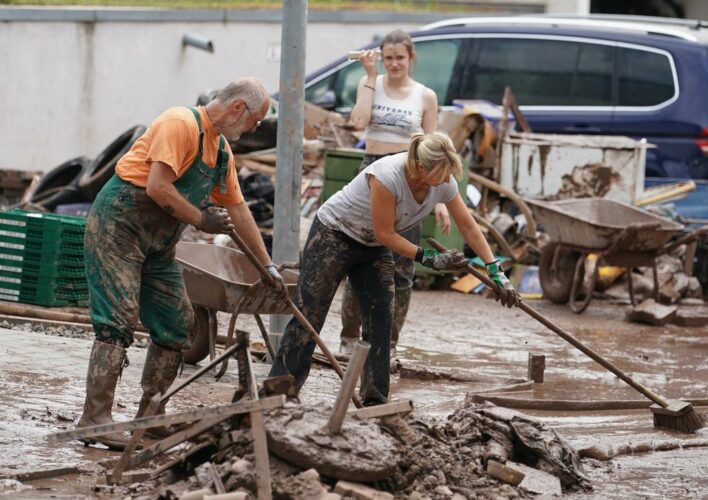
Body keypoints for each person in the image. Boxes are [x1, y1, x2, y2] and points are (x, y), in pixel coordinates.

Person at [77, 77, 283, 450]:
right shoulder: (180, 124)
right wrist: (202, 220)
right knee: (118, 318)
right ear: (238, 108)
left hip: (158, 245)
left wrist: (266, 266)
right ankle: (95, 419)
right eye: (255, 121)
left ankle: (150, 417)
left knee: (178, 324)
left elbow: (237, 209)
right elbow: (158, 187)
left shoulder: (220, 152)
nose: (254, 130)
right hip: (118, 228)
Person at [269, 131, 519, 406]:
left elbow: (468, 225)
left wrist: (495, 270)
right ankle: (280, 394)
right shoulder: (387, 175)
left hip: (372, 246)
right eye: (441, 174)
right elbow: (386, 233)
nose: (446, 181)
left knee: (381, 321)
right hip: (334, 233)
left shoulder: (443, 182)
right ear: (421, 167)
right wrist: (429, 258)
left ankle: (375, 401)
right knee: (310, 315)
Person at [340, 29, 450, 364]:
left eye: (399, 57)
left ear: (411, 57)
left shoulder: (425, 96)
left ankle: (389, 342)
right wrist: (371, 76)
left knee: (401, 267)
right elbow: (358, 122)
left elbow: (433, 151)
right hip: (374, 170)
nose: (394, 63)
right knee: (359, 255)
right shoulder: (370, 83)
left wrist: (441, 198)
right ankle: (349, 337)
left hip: (411, 175)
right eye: (387, 58)